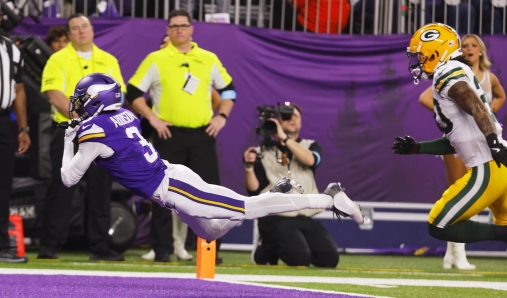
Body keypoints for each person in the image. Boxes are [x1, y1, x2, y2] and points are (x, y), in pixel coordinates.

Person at [61, 73, 364, 260]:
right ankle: (271, 194)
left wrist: (68, 141)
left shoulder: (94, 132)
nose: (76, 104)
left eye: (81, 99)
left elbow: (68, 178)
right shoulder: (124, 116)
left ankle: (329, 198)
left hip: (176, 188)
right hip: (173, 181)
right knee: (211, 232)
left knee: (249, 206)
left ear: (97, 100)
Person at [393, 23, 507, 269]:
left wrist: (491, 141)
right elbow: (459, 138)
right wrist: (418, 148)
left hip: (488, 164)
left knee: (439, 223)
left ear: (435, 53)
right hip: (501, 160)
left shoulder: (446, 72)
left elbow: (473, 103)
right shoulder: (455, 70)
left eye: (420, 57)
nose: (417, 63)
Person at [126, 9, 234, 263]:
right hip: (169, 135)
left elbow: (229, 90)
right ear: (167, 30)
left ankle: (210, 252)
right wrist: (152, 118)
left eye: (183, 26)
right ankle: (161, 250)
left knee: (208, 193)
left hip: (201, 135)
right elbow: (132, 92)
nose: (178, 30)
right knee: (164, 193)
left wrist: (222, 117)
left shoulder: (208, 58)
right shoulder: (156, 58)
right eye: (173, 26)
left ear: (191, 28)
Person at [38, 13, 127, 261]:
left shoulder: (108, 60)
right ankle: (50, 245)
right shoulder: (57, 59)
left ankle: (100, 247)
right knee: (61, 187)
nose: (81, 31)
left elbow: (118, 96)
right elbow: (54, 95)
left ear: (92, 29)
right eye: (75, 28)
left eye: (84, 26)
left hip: (101, 135)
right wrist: (82, 118)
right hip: (70, 132)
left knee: (101, 190)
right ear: (69, 34)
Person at [417, 33, 507, 270]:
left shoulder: (487, 77)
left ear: (481, 51)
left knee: (472, 197)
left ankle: (454, 253)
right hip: (461, 143)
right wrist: (451, 120)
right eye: (464, 45)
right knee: (459, 193)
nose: (468, 49)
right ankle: (456, 252)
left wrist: (489, 113)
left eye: (473, 45)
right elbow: (426, 98)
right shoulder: (450, 73)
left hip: (482, 142)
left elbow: (498, 97)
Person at [141, 34, 222, 262]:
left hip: (192, 135)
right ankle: (161, 245)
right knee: (160, 192)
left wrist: (209, 117)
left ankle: (181, 244)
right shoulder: (157, 66)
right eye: (164, 42)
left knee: (190, 192)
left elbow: (216, 98)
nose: (169, 45)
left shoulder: (193, 69)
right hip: (162, 134)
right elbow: (140, 98)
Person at [243, 103, 339, 267]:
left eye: (295, 116)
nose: (292, 119)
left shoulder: (310, 146)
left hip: (304, 215)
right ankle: (266, 243)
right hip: (275, 215)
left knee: (329, 259)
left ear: (301, 123)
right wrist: (249, 166)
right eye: (286, 116)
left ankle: (272, 243)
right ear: (277, 122)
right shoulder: (262, 151)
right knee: (300, 260)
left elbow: (310, 160)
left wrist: (284, 138)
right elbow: (253, 190)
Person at [0, 24, 31, 263]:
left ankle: (1, 247)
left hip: (3, 123)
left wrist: (23, 128)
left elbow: (18, 89)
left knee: (3, 185)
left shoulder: (11, 48)